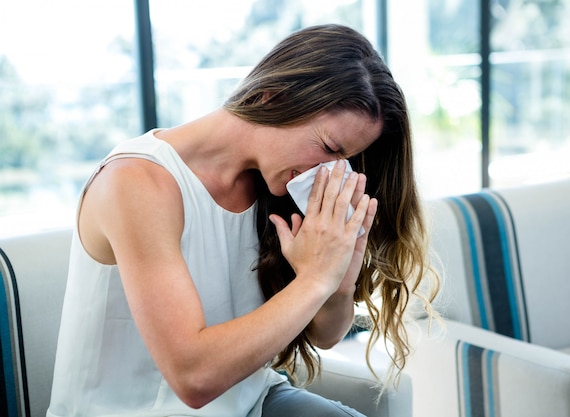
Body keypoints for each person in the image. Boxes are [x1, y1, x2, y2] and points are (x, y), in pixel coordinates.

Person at [46, 24, 439, 417]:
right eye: (329, 148)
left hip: (250, 401)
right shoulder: (137, 183)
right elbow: (193, 378)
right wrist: (315, 278)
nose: (330, 174)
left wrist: (339, 280)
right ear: (273, 97)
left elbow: (326, 335)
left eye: (344, 160)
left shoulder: (278, 187)